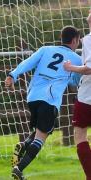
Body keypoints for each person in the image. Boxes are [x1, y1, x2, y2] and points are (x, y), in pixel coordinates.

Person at [5, 26, 82, 180]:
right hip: (50, 99)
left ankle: (24, 144)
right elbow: (75, 80)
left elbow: (28, 62)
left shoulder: (45, 49)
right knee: (41, 138)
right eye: (78, 40)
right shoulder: (76, 59)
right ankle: (18, 169)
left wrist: (12, 75)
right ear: (74, 40)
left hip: (33, 97)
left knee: (43, 129)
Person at [63, 13, 91, 180]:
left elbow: (89, 68)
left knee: (80, 135)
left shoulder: (88, 39)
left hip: (88, 96)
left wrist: (71, 67)